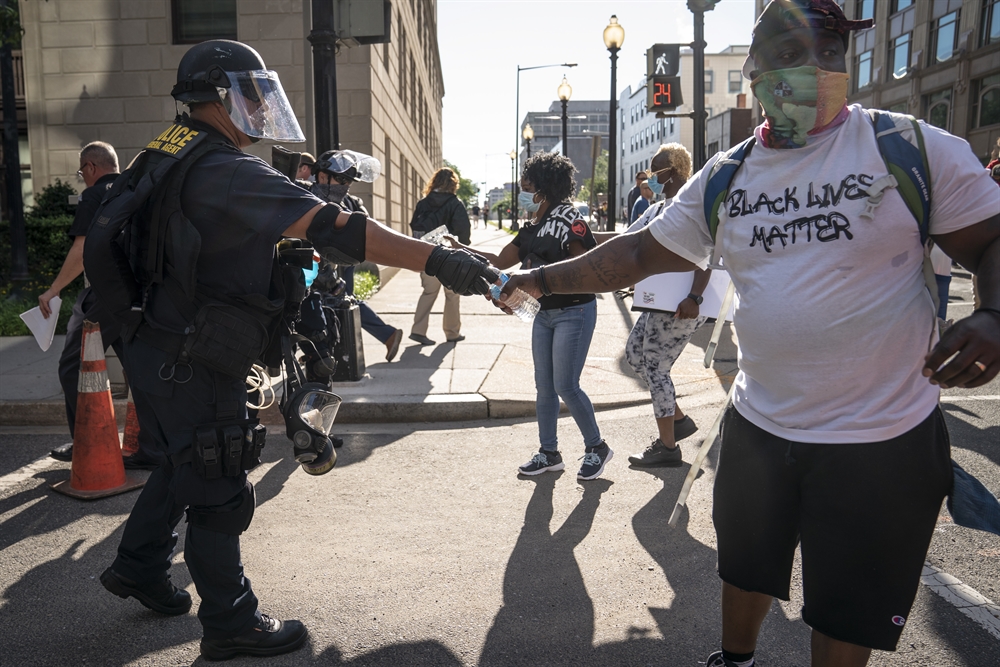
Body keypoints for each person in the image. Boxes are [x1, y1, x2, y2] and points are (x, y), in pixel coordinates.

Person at [501, 2, 1000, 665]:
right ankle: (735, 658)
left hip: (880, 439)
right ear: (755, 74)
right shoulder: (728, 176)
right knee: (744, 563)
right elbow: (633, 257)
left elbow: (993, 239)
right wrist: (535, 278)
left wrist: (994, 314)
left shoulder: (909, 148)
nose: (818, 68)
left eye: (830, 53)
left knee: (847, 601)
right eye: (795, 54)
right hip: (761, 426)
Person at [96, 40, 495, 661]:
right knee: (217, 474)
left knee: (182, 460)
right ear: (223, 95)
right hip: (194, 354)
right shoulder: (227, 168)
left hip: (152, 342)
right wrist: (439, 258)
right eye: (252, 94)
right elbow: (337, 227)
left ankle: (139, 565)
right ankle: (231, 622)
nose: (260, 107)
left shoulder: (166, 151)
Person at [451, 152, 612, 481]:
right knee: (544, 387)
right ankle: (549, 452)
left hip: (575, 310)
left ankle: (597, 448)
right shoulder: (530, 228)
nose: (523, 195)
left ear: (546, 188)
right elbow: (498, 259)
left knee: (566, 385)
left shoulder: (572, 219)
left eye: (528, 188)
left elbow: (584, 268)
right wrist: (460, 248)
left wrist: (542, 279)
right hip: (543, 313)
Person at [38, 142, 155, 468]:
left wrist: (53, 290)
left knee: (71, 365)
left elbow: (82, 248)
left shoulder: (94, 194)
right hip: (136, 294)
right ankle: (152, 447)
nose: (83, 177)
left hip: (105, 294)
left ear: (90, 166)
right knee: (136, 370)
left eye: (81, 171)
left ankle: (85, 445)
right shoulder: (131, 188)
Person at [621, 143, 709, 468]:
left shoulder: (691, 206)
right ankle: (679, 420)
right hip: (657, 302)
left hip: (683, 304)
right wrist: (581, 239)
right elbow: (625, 239)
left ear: (673, 170)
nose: (650, 176)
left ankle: (668, 447)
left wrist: (695, 297)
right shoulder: (658, 208)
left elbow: (708, 256)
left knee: (656, 367)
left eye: (656, 169)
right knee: (634, 357)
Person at [309, 149, 404, 362]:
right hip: (313, 271)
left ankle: (331, 356)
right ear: (323, 176)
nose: (345, 186)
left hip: (342, 264)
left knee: (343, 304)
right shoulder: (307, 197)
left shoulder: (352, 202)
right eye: (341, 180)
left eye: (348, 182)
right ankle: (386, 335)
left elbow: (368, 232)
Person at [408, 167, 472, 345]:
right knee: (452, 294)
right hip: (448, 257)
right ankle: (452, 332)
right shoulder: (455, 204)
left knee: (428, 292)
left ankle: (418, 330)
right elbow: (463, 231)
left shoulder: (423, 203)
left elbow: (415, 228)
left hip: (426, 254)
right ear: (453, 184)